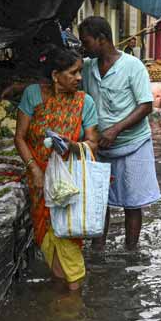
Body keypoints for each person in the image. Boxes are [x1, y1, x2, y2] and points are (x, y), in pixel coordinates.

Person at [14, 46, 101, 290]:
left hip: (69, 183)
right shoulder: (33, 95)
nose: (79, 78)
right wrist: (35, 171)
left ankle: (72, 301)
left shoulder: (85, 102)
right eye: (73, 72)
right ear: (55, 75)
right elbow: (19, 137)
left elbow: (93, 143)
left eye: (80, 72)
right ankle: (62, 296)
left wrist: (72, 146)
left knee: (68, 236)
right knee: (46, 236)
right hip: (39, 182)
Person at [78, 16, 159, 251]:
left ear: (102, 39)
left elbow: (146, 105)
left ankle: (131, 251)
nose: (84, 47)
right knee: (99, 201)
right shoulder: (87, 67)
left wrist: (115, 129)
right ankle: (98, 250)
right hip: (101, 147)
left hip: (133, 144)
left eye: (86, 42)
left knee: (132, 202)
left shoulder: (133, 66)